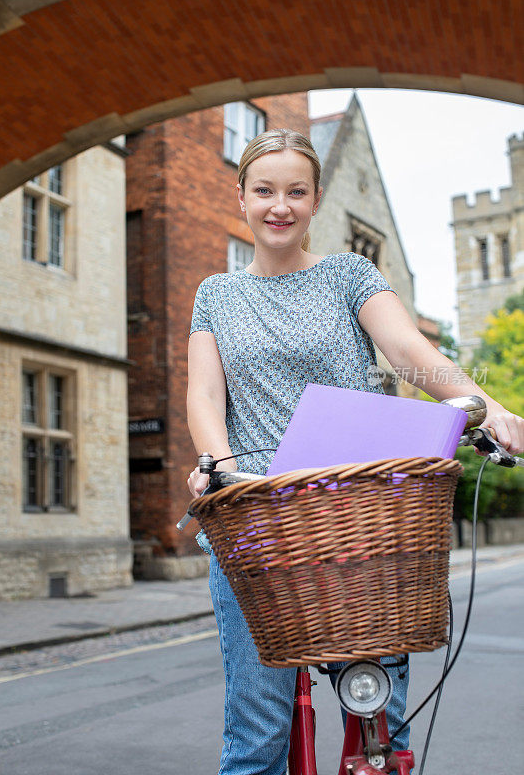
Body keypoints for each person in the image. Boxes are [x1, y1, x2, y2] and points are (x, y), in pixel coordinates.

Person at [186, 128, 524, 775]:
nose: (278, 205)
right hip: (256, 523)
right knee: (255, 737)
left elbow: (409, 354)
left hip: (354, 521)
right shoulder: (215, 294)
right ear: (241, 199)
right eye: (264, 191)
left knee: (379, 733)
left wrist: (489, 407)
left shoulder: (347, 274)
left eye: (295, 191)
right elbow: (203, 396)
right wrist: (219, 467)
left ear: (314, 201)